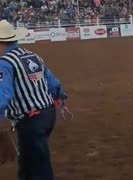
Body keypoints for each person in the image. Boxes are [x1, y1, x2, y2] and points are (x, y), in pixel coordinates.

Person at [0, 19, 68, 180]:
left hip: (30, 119)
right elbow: (53, 82)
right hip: (47, 114)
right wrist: (60, 97)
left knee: (38, 165)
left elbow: (3, 96)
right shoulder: (32, 55)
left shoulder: (4, 63)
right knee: (28, 161)